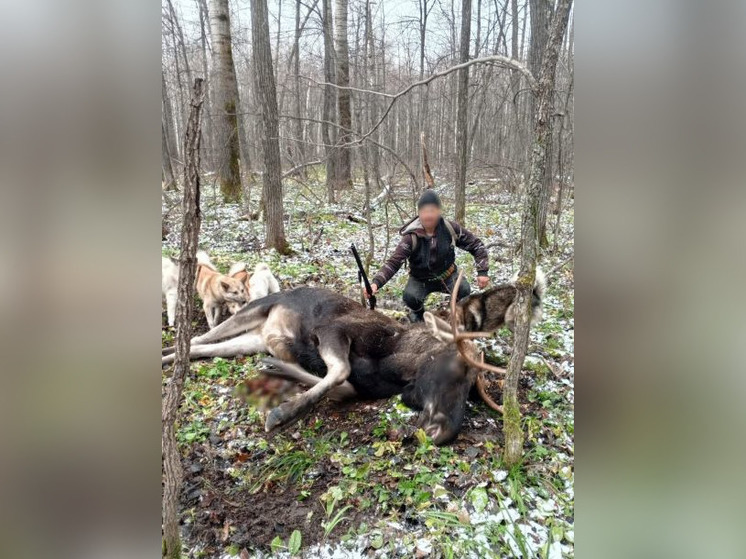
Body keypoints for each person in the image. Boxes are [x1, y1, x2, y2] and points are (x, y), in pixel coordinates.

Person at [365, 189, 490, 322]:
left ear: (439, 211)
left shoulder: (450, 229)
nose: (428, 215)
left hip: (448, 275)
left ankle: (451, 315)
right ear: (419, 213)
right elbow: (394, 262)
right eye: (424, 211)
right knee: (410, 297)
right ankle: (420, 315)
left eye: (432, 211)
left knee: (463, 290)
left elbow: (476, 245)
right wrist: (376, 283)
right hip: (420, 279)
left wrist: (482, 271)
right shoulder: (411, 237)